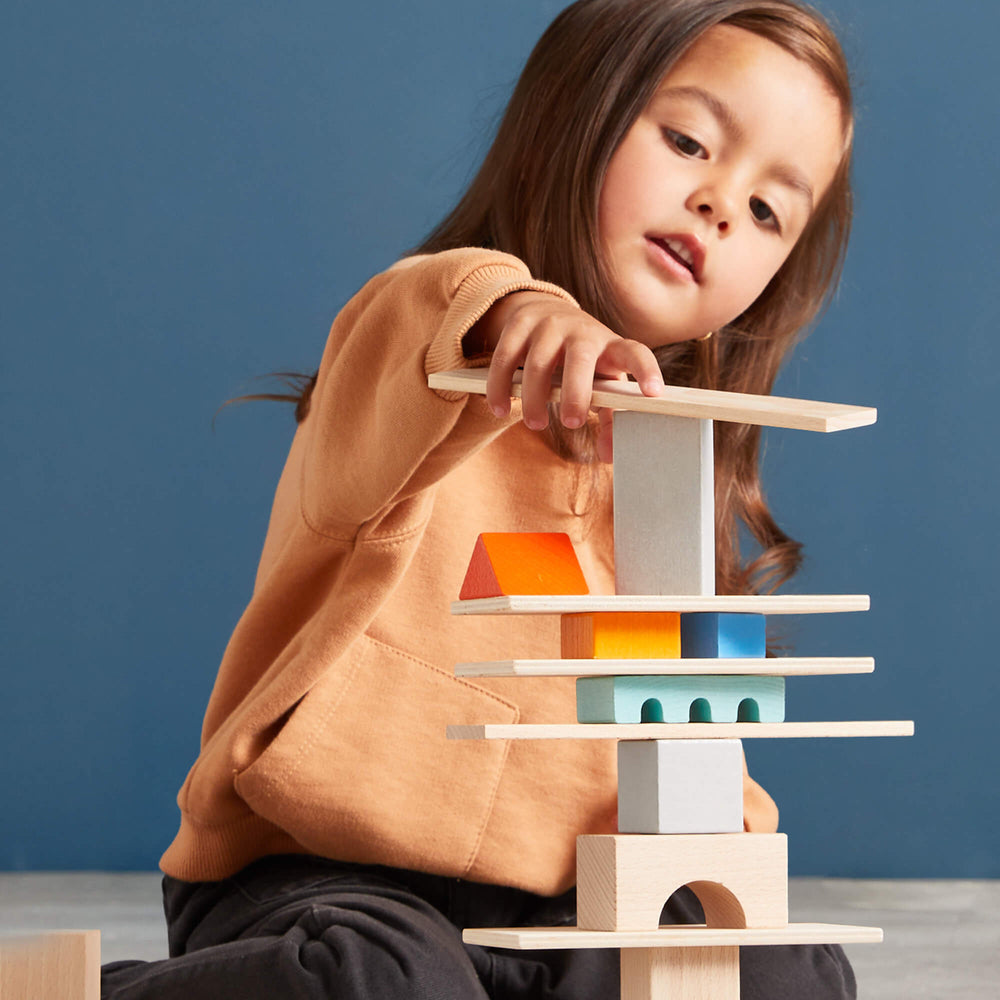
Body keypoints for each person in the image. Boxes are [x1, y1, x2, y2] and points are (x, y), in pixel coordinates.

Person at [103, 1, 860, 996]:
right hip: (320, 883)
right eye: (687, 141)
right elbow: (437, 308)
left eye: (768, 210)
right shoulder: (413, 349)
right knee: (384, 973)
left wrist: (727, 867)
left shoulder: (668, 472)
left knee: (783, 968)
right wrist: (526, 315)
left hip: (556, 909)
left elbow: (677, 723)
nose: (721, 202)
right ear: (574, 115)